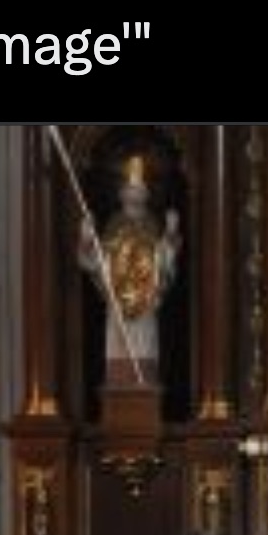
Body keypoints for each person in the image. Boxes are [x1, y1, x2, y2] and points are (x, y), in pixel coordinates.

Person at [79, 152, 180, 385]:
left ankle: (144, 379)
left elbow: (164, 259)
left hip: (145, 301)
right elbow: (95, 262)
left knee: (144, 351)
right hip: (118, 303)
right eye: (130, 195)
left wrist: (171, 234)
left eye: (139, 194)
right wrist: (86, 238)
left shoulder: (152, 224)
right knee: (119, 352)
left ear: (144, 196)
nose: (134, 199)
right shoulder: (114, 224)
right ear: (122, 196)